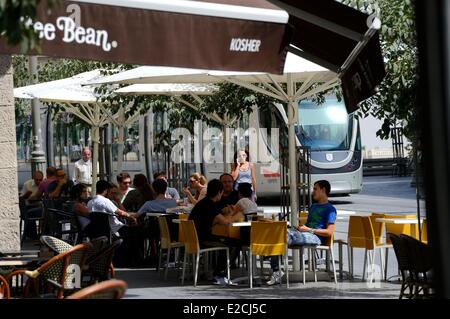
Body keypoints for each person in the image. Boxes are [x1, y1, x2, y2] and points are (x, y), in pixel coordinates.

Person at [266, 180, 337, 286]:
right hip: (304, 234)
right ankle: (276, 269)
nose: (313, 192)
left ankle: (276, 268)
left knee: (284, 236)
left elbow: (329, 232)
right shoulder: (313, 207)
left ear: (323, 190)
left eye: (315, 189)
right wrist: (298, 228)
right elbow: (307, 226)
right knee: (279, 232)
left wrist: (308, 230)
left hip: (316, 237)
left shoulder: (330, 209)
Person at [188, 179, 243, 285]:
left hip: (194, 238)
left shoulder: (203, 203)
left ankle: (218, 272)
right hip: (203, 239)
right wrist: (238, 215)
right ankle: (219, 274)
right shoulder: (210, 205)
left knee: (228, 242)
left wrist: (228, 213)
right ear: (219, 192)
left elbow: (213, 220)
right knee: (234, 244)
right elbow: (226, 222)